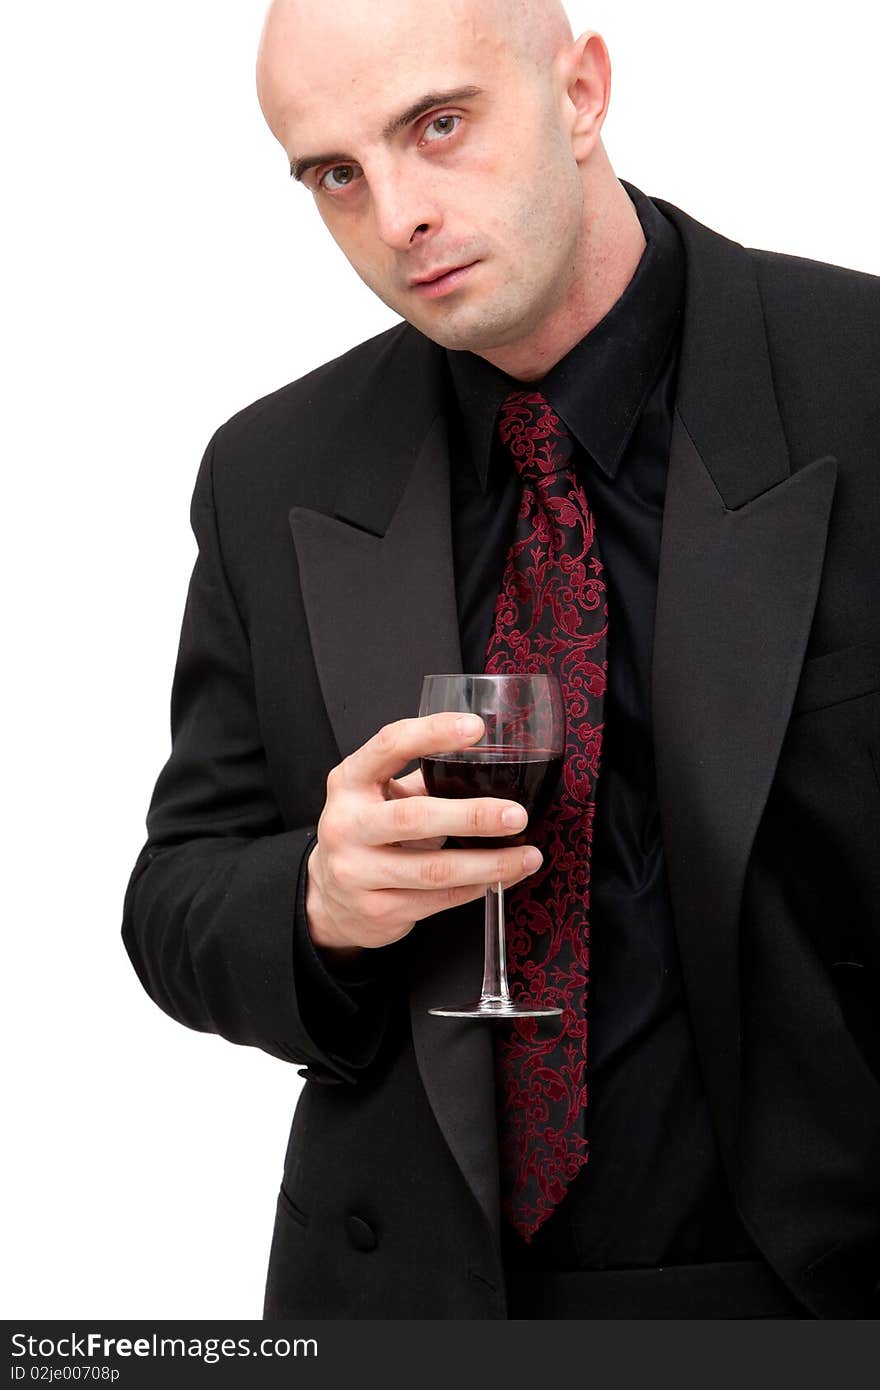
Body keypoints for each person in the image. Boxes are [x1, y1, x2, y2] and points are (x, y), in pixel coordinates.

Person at [121, 0, 880, 1320]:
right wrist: (315, 899)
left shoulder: (858, 379)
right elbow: (175, 892)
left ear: (581, 91)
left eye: (439, 125)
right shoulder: (271, 471)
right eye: (335, 173)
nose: (397, 213)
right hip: (408, 1297)